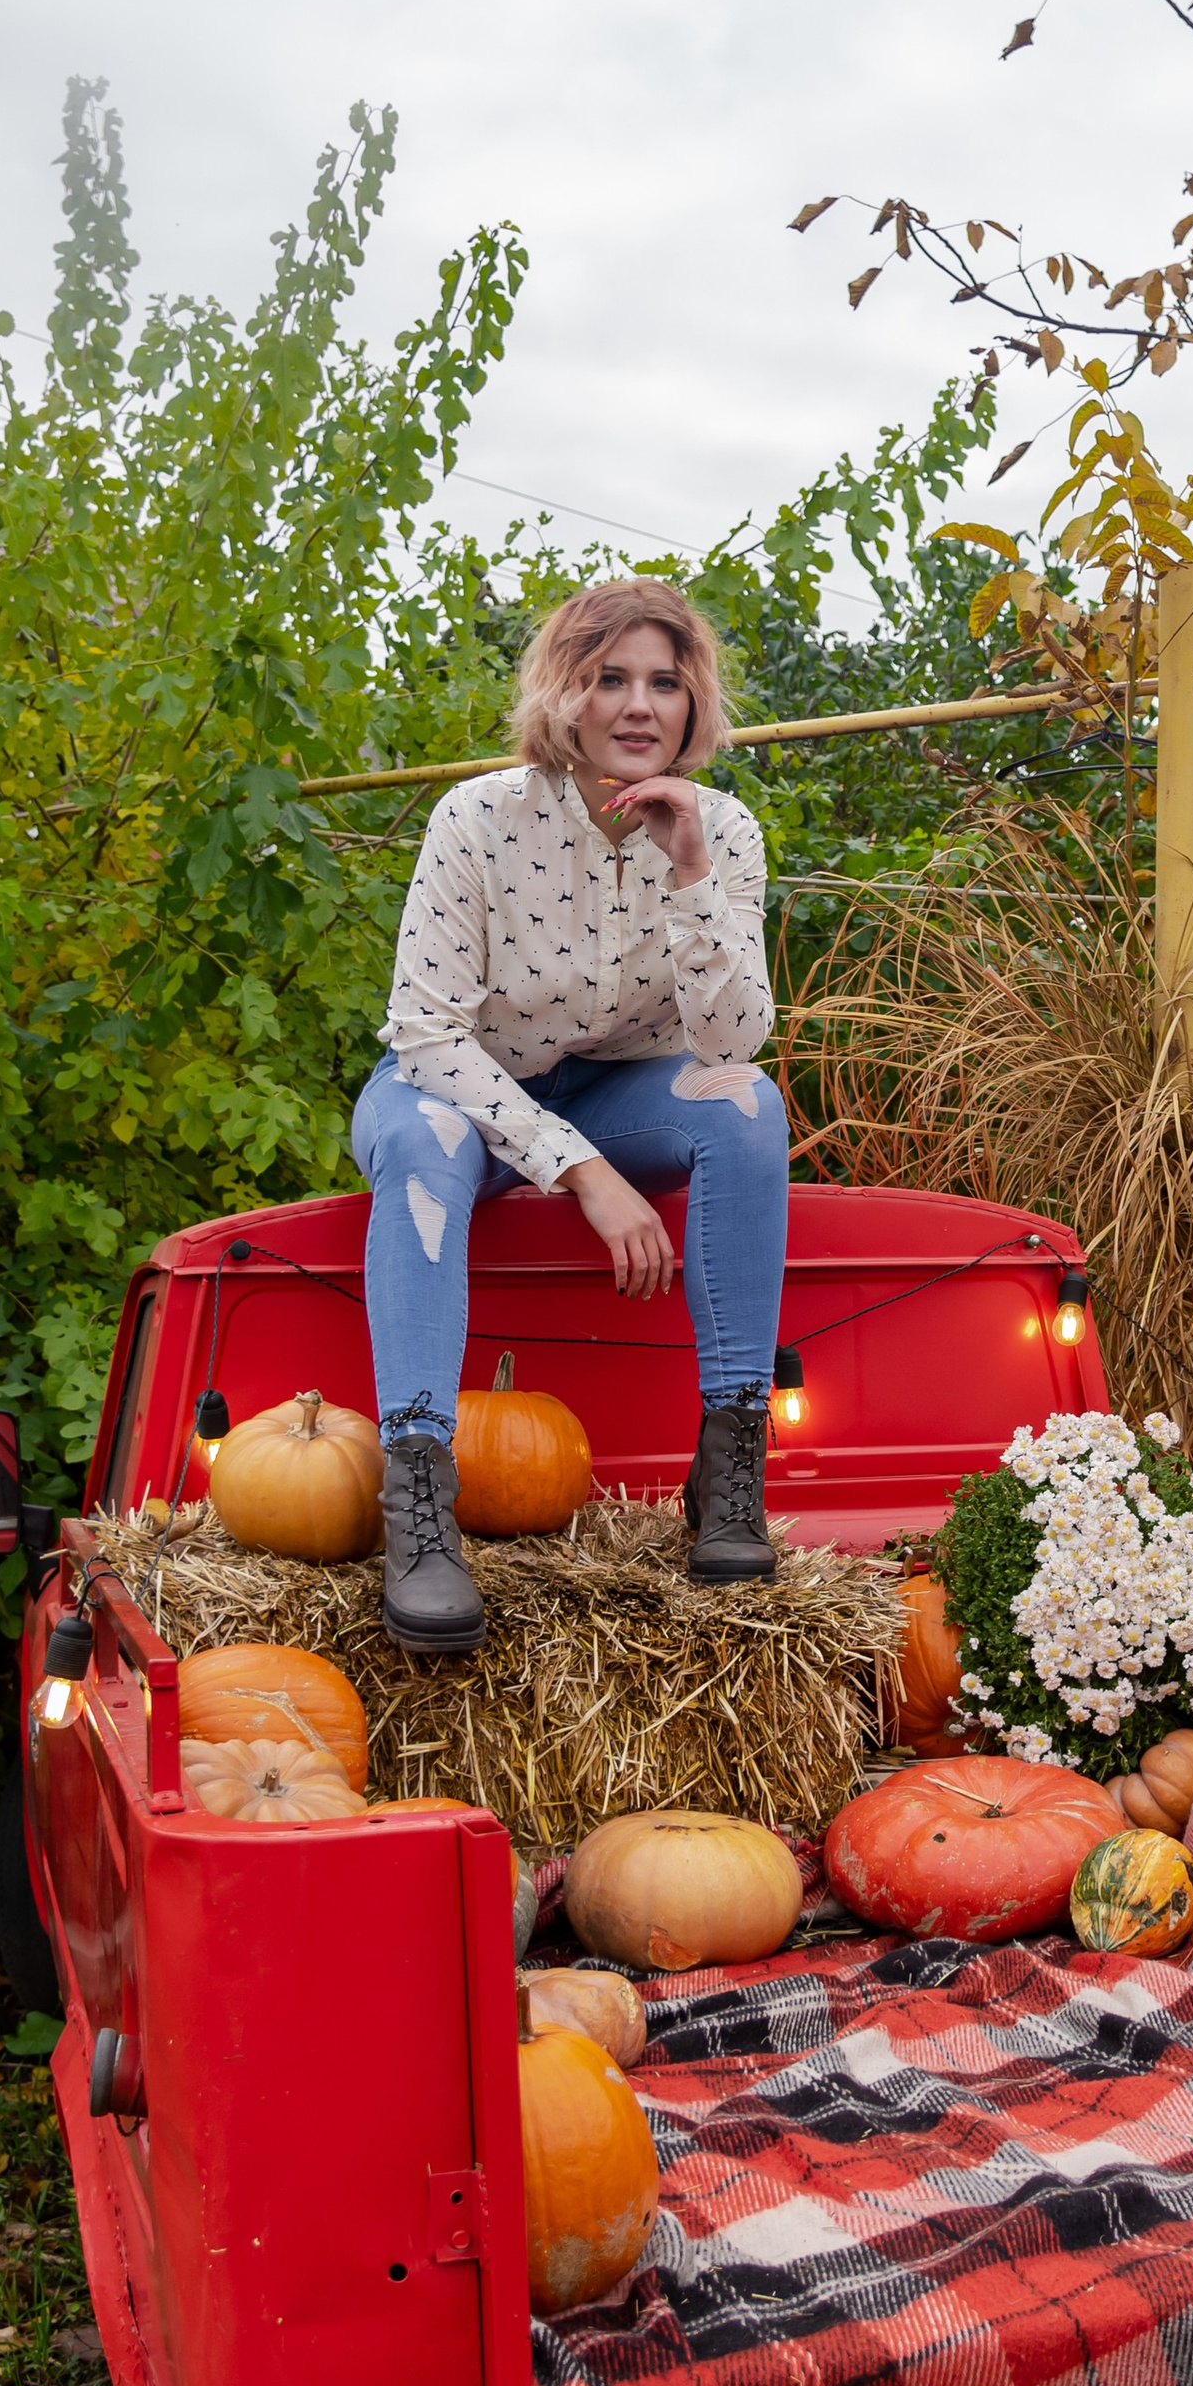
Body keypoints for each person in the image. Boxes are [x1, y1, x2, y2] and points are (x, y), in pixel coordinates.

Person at [352, 578, 789, 1650]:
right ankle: (418, 1505)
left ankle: (728, 1475)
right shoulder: (480, 819)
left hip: (624, 1086)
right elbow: (428, 1030)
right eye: (610, 679)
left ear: (693, 706)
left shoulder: (722, 833)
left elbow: (731, 1045)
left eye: (664, 683)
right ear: (566, 693)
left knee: (747, 1109)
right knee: (418, 1142)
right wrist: (581, 1174)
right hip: (456, 1083)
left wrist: (688, 870)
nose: (639, 706)